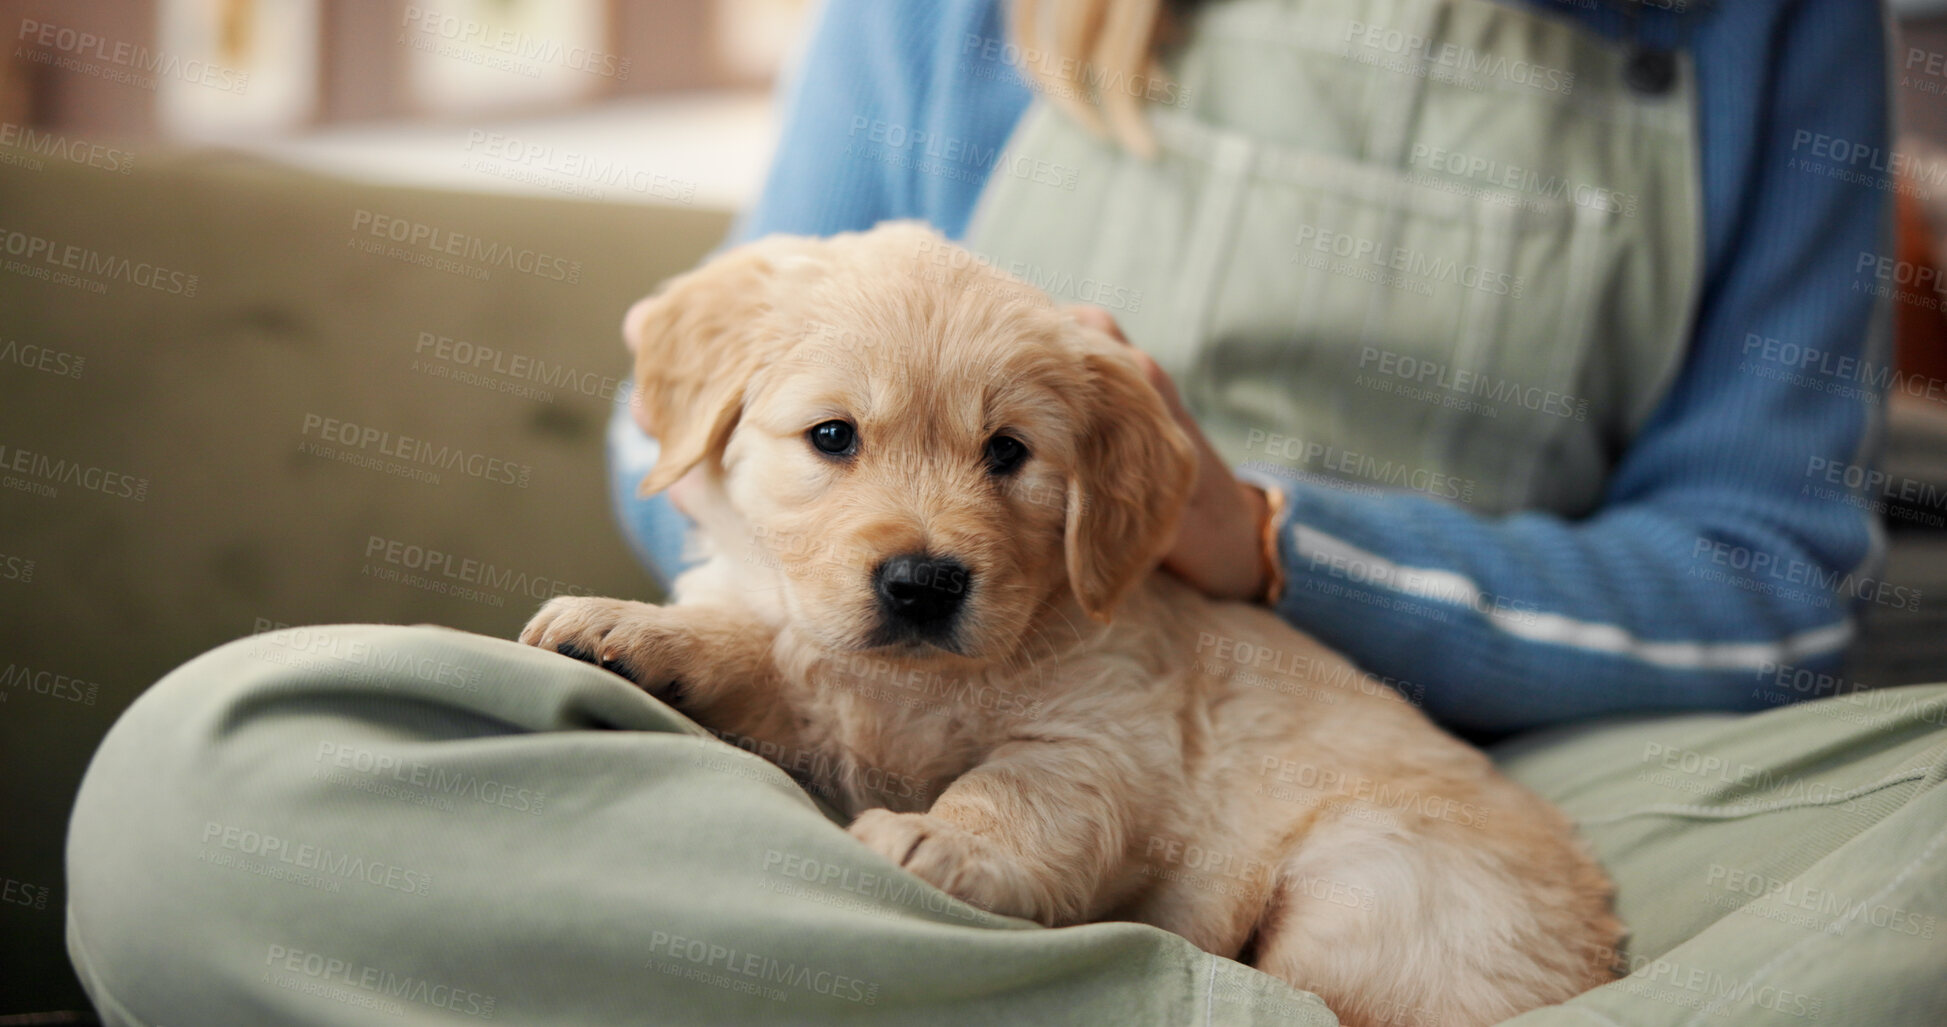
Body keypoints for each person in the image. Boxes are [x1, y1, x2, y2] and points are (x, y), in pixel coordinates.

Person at [68, 1, 1947, 1024]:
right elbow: (737, 437)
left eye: (993, 462)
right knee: (205, 791)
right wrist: (793, 660)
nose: (930, 507)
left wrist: (1266, 538)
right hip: (856, 730)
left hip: (1508, 758)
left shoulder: (1777, 24)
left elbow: (1760, 593)